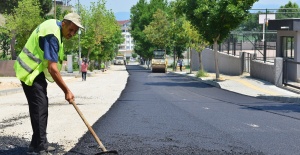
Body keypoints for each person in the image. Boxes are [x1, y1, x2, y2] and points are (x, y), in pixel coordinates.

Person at [14, 13, 84, 155]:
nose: (72, 34)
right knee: (40, 107)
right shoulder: (53, 36)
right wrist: (67, 91)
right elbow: (53, 69)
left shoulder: (54, 26)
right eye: (71, 29)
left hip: (35, 71)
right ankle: (40, 147)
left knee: (40, 106)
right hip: (30, 70)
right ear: (63, 23)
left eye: (75, 31)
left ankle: (37, 144)